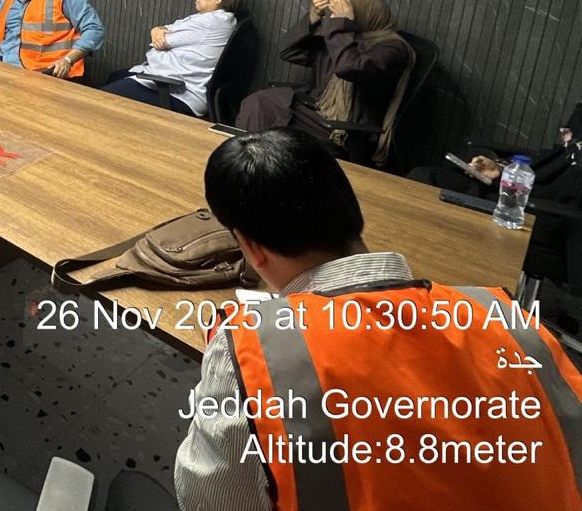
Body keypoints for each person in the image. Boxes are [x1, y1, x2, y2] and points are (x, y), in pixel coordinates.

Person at [105, 128, 582, 511]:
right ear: (351, 211)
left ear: (250, 248)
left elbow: (209, 500)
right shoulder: (513, 322)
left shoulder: (256, 350)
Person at [236, 0, 412, 165]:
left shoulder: (392, 48)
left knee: (263, 111)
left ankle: (251, 165)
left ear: (363, 14)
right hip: (318, 109)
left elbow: (348, 67)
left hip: (344, 128)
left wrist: (340, 27)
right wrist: (313, 16)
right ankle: (248, 163)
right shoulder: (347, 38)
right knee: (257, 103)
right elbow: (288, 52)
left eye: (338, 13)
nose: (333, 18)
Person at [101, 0, 244, 117]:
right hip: (170, 83)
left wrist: (157, 39)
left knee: (102, 99)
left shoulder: (211, 22)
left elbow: (159, 43)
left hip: (180, 93)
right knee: (115, 76)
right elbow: (167, 29)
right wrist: (157, 30)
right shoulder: (218, 19)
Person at [407, 101, 581, 200]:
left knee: (425, 184)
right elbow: (553, 159)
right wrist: (500, 167)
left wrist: (504, 179)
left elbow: (558, 193)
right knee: (422, 176)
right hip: (511, 185)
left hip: (526, 203)